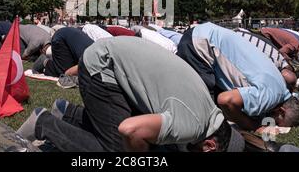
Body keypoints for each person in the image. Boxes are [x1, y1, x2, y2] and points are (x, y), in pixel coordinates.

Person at [18, 36, 245, 152]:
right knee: (117, 151)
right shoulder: (192, 125)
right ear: (209, 147)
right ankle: (44, 123)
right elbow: (129, 129)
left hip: (116, 61)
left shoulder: (209, 111)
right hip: (103, 66)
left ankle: (67, 113)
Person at [177, 23, 299, 131]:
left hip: (205, 35)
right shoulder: (270, 97)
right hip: (201, 43)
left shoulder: (280, 86)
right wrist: (252, 126)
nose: (273, 124)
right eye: (276, 123)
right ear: (281, 111)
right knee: (205, 109)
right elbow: (225, 100)